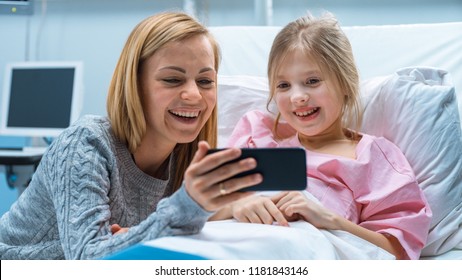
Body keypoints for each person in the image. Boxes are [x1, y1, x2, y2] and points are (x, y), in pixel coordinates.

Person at [0, 11, 262, 260]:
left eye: (205, 81)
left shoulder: (183, 154)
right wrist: (175, 213)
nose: (194, 95)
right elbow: (88, 260)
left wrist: (235, 205)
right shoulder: (85, 143)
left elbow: (169, 218)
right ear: (134, 85)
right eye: (172, 80)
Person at [210, 13, 432, 260]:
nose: (297, 97)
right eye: (283, 86)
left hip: (297, 247)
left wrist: (328, 219)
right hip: (228, 240)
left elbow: (398, 249)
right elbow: (199, 206)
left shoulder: (371, 157)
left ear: (346, 83)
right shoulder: (259, 135)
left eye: (312, 81)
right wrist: (235, 205)